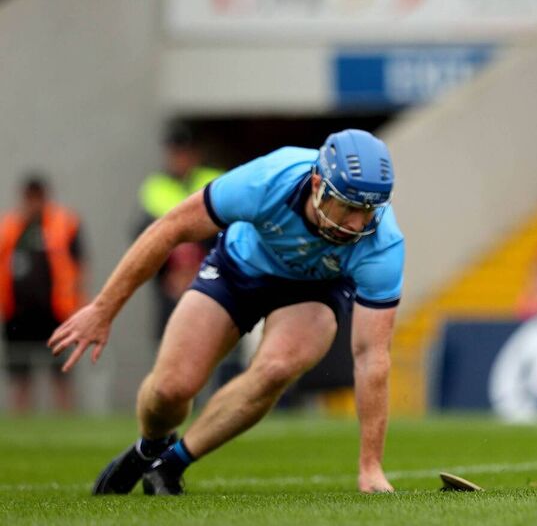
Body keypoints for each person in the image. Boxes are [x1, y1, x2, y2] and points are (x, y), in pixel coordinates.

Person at [49, 129, 405, 495]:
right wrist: (103, 309)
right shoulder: (269, 179)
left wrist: (371, 467)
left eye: (368, 210)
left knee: (277, 367)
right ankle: (150, 448)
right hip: (239, 267)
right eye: (348, 206)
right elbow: (170, 229)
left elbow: (371, 356)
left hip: (316, 289)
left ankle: (172, 464)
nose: (357, 224)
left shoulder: (382, 244)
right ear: (318, 185)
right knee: (170, 390)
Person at [1, 175, 85, 413]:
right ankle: (21, 420)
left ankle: (66, 418)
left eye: (38, 198)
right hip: (17, 314)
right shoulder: (10, 227)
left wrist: (79, 302)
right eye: (30, 198)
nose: (34, 204)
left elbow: (80, 263)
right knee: (20, 376)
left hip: (55, 311)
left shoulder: (64, 223)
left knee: (61, 373)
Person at [136, 124, 223, 337]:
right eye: (175, 152)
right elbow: (142, 236)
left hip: (212, 277)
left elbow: (230, 231)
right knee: (171, 337)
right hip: (171, 283)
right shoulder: (155, 186)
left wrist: (200, 266)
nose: (180, 158)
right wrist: (168, 273)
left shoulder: (215, 179)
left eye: (185, 152)